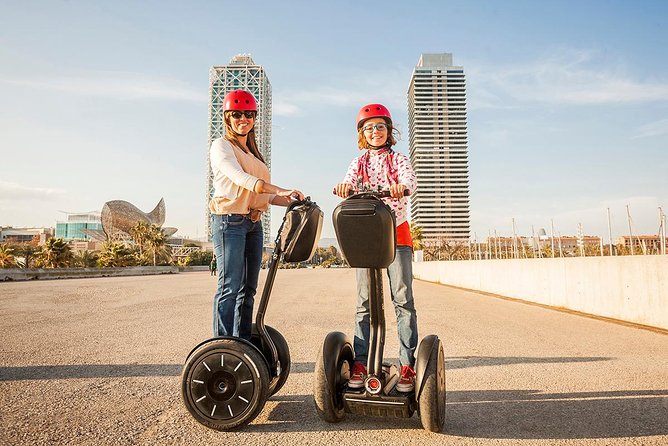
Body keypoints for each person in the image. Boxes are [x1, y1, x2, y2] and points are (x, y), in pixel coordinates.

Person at [334, 103, 418, 393]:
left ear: (388, 130)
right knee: (364, 304)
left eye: (380, 126)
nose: (375, 131)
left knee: (403, 299)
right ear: (362, 134)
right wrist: (345, 188)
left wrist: (401, 187)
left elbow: (410, 180)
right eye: (369, 127)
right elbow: (348, 181)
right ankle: (360, 362)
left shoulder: (399, 160)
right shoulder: (357, 163)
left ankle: (407, 365)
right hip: (367, 235)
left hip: (396, 233)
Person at [209, 90, 304, 340]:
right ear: (228, 118)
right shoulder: (221, 146)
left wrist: (291, 200)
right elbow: (243, 180)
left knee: (248, 289)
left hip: (253, 224)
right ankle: (223, 344)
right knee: (229, 287)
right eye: (237, 114)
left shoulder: (254, 154)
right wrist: (279, 188)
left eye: (249, 114)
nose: (244, 119)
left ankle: (242, 342)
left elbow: (267, 197)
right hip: (230, 221)